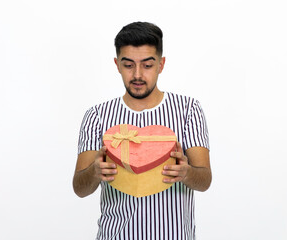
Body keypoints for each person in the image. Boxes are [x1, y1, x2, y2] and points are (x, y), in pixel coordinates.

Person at [73, 21, 211, 240]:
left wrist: (187, 172)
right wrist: (94, 172)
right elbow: (80, 188)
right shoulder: (97, 115)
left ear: (161, 64)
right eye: (128, 65)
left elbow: (204, 180)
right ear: (117, 64)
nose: (137, 75)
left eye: (147, 65)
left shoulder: (188, 110)